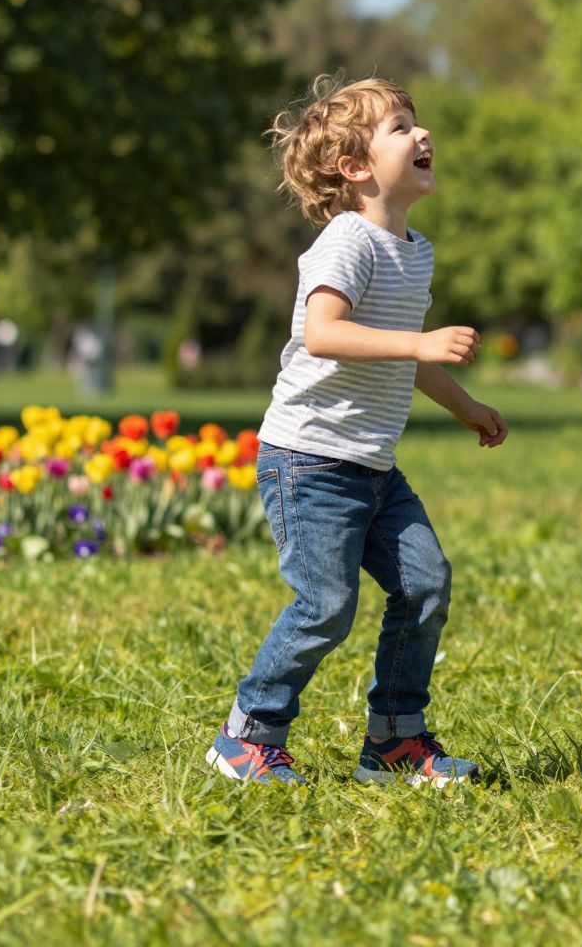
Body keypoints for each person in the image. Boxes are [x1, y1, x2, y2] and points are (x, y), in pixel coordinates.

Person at [206, 75, 508, 786]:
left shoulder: (413, 248)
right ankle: (247, 735)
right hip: (307, 461)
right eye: (401, 128)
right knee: (325, 607)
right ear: (355, 168)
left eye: (417, 122)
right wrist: (419, 345)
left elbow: (406, 353)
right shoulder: (348, 241)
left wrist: (464, 405)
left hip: (371, 466)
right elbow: (324, 332)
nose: (422, 134)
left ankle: (395, 741)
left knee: (425, 584)